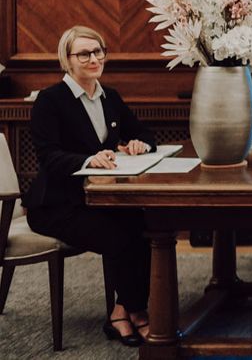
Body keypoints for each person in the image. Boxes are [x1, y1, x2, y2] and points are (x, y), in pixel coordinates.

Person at [23, 25, 156, 347]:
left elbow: (147, 135)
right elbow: (48, 155)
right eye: (84, 53)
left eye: (98, 51)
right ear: (66, 60)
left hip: (100, 199)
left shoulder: (109, 96)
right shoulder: (49, 101)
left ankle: (124, 309)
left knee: (145, 226)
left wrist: (138, 144)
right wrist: (88, 160)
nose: (94, 58)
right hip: (54, 204)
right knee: (120, 238)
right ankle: (132, 315)